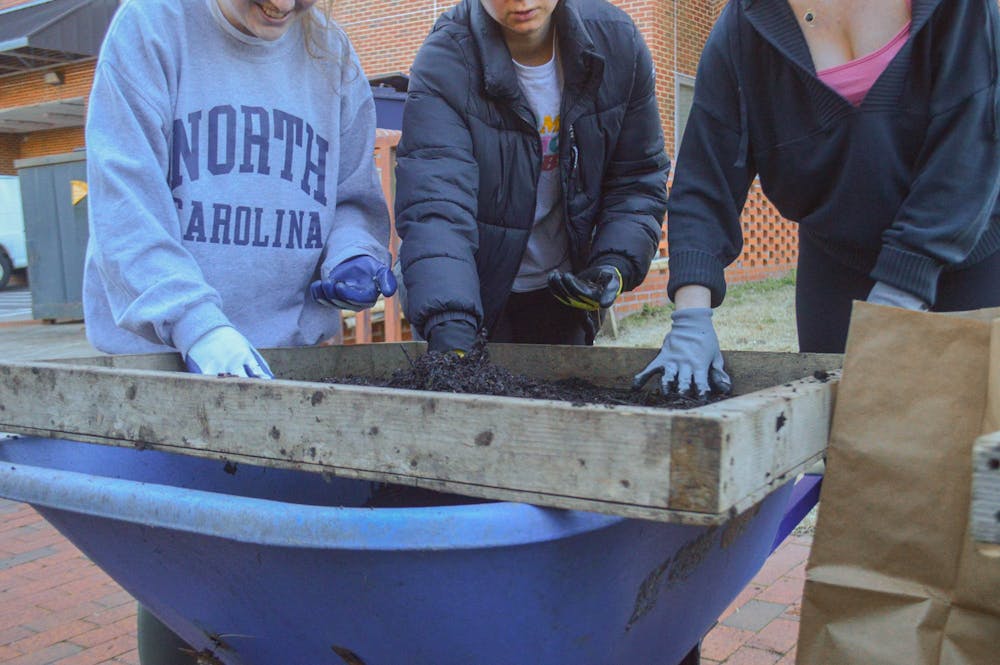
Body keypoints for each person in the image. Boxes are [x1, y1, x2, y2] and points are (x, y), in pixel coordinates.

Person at [82, 0, 395, 661]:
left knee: (289, 568)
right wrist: (199, 324)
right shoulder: (150, 29)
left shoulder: (330, 53)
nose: (282, 7)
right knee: (177, 570)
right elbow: (124, 203)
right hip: (171, 360)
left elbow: (351, 199)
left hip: (291, 363)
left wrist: (352, 255)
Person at [635, 0, 1000, 397]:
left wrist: (898, 295)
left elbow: (969, 150)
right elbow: (706, 177)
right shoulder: (747, 25)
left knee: (968, 440)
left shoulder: (960, 9)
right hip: (838, 263)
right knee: (850, 439)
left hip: (969, 257)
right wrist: (691, 316)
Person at [394, 0, 669, 354]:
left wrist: (614, 263)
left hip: (561, 293)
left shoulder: (617, 43)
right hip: (467, 291)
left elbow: (637, 177)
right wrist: (451, 321)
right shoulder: (444, 62)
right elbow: (436, 204)